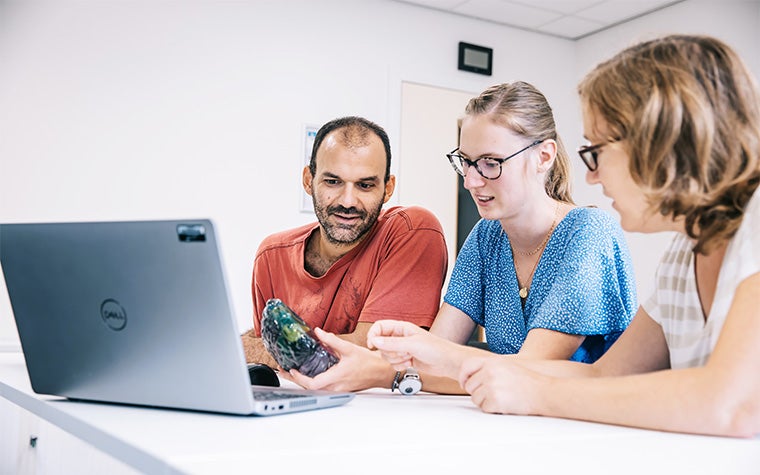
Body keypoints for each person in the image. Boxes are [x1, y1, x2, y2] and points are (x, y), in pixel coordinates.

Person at [368, 35, 760, 437]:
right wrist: (431, 354)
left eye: (596, 152)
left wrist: (535, 393)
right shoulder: (684, 251)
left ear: (662, 143)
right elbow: (606, 374)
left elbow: (734, 404)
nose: (590, 175)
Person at [291, 82, 637, 394]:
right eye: (466, 163)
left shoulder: (588, 234)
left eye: (490, 163)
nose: (471, 182)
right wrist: (391, 360)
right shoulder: (487, 237)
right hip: (519, 419)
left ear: (543, 157)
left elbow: (529, 371)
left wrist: (385, 372)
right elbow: (435, 356)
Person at [240, 116, 448, 369]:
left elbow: (380, 354)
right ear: (309, 180)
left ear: (388, 188)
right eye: (333, 182)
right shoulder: (272, 255)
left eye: (365, 185)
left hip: (380, 408)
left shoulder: (410, 230)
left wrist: (246, 348)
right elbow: (268, 353)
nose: (348, 201)